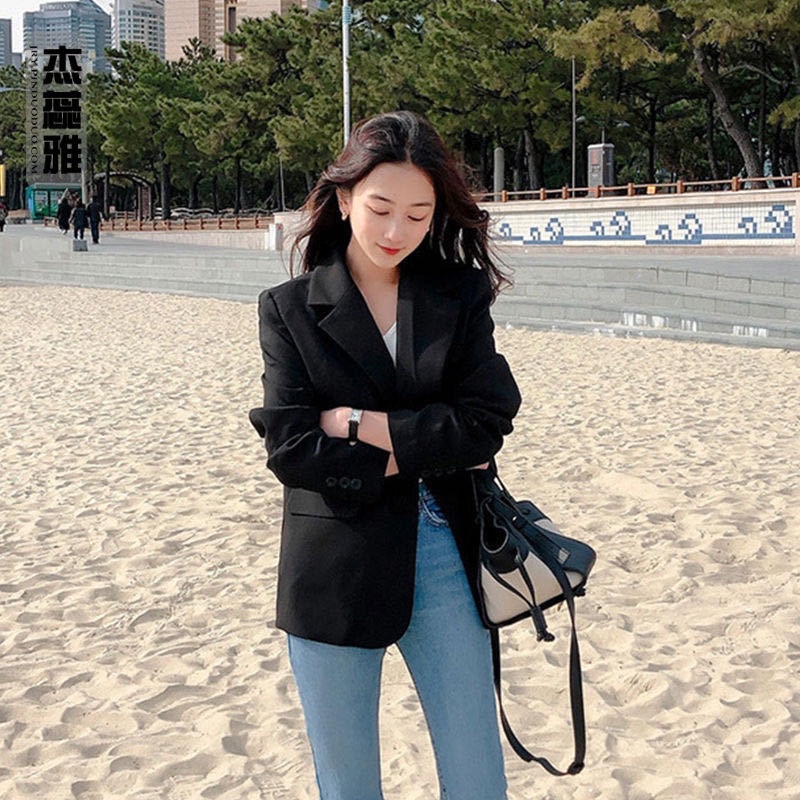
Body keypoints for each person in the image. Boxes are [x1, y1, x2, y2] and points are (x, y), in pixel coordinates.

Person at [249, 110, 521, 800]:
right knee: (348, 787)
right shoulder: (288, 308)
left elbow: (488, 417)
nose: (397, 230)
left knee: (478, 779)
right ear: (344, 199)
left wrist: (361, 425)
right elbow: (292, 447)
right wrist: (429, 446)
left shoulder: (458, 293)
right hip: (332, 563)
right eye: (380, 209)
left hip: (447, 548)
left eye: (418, 214)